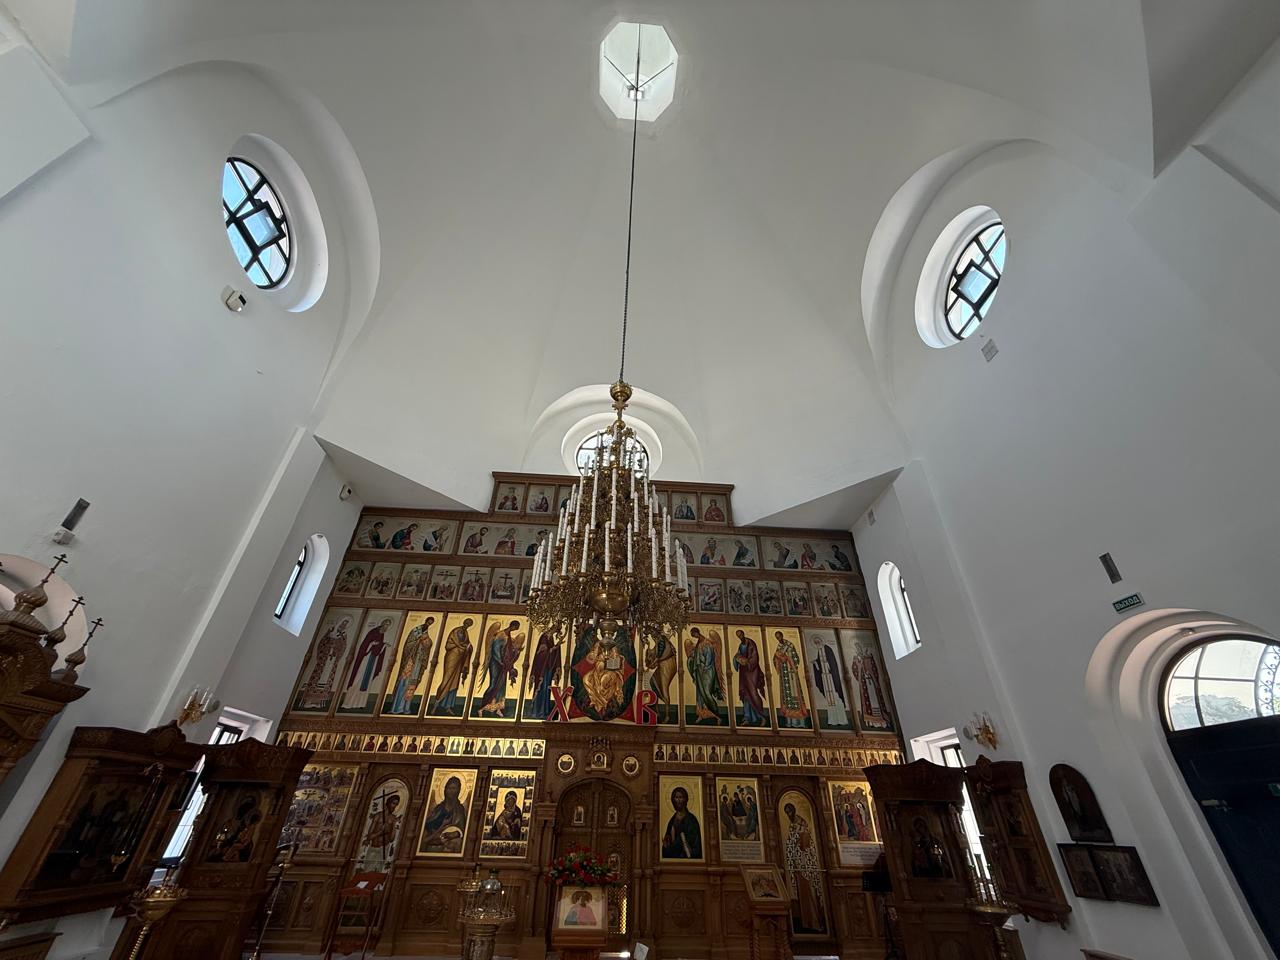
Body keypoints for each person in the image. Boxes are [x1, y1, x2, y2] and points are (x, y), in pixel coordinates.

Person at [782, 802, 826, 934]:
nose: (789, 814)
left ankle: (815, 922)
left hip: (806, 863)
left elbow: (806, 842)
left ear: (794, 811)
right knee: (803, 894)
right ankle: (807, 922)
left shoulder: (801, 823)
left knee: (810, 891)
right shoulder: (792, 825)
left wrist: (798, 844)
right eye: (787, 813)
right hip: (797, 865)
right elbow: (790, 842)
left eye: (790, 811)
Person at [297, 616, 350, 708]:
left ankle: (318, 701)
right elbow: (322, 642)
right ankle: (308, 701)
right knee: (316, 678)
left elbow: (343, 647)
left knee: (326, 680)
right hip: (324, 659)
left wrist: (336, 651)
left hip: (332, 660)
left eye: (346, 624)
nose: (344, 625)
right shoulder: (331, 630)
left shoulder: (344, 635)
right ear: (340, 622)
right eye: (343, 623)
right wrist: (328, 647)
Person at [476, 620, 524, 716]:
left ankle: (497, 707)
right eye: (515, 628)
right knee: (493, 683)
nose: (515, 630)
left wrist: (517, 651)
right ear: (513, 626)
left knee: (501, 686)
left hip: (503, 664)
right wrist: (500, 661)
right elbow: (495, 650)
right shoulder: (500, 635)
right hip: (495, 663)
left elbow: (508, 652)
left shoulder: (509, 637)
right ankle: (482, 707)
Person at [387, 617, 435, 715]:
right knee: (404, 684)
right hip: (410, 662)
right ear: (425, 621)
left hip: (417, 664)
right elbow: (409, 645)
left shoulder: (426, 634)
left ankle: (406, 708)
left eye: (431, 623)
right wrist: (418, 641)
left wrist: (425, 643)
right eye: (428, 622)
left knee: (412, 685)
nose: (428, 624)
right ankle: (397, 708)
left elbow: (428, 645)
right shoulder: (416, 631)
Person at [342, 617, 393, 709]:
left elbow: (378, 646)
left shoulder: (381, 634)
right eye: (386, 624)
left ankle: (360, 704)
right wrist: (371, 644)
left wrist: (384, 645)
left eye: (388, 625)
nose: (386, 627)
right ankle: (348, 703)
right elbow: (364, 645)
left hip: (372, 660)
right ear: (382, 623)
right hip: (365, 659)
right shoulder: (373, 632)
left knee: (367, 682)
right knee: (358, 679)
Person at [429, 618, 473, 716]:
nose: (467, 625)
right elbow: (448, 644)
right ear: (464, 622)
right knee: (447, 679)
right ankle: (436, 704)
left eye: (469, 624)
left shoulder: (466, 634)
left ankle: (448, 706)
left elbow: (467, 645)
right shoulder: (455, 631)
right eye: (467, 623)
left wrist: (468, 647)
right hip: (452, 657)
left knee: (455, 682)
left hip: (460, 659)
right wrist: (460, 646)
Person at [686, 627, 725, 724]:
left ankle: (717, 715)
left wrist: (704, 668)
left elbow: (709, 658)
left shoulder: (707, 643)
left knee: (707, 693)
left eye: (694, 634)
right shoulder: (698, 644)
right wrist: (691, 658)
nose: (694, 637)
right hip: (700, 672)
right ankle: (701, 714)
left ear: (697, 632)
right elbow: (696, 657)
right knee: (700, 694)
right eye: (692, 636)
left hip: (708, 672)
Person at [420, 777, 468, 853]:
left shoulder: (460, 809)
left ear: (458, 791)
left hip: (449, 842)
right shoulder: (438, 808)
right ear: (445, 790)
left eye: (454, 788)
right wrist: (437, 831)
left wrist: (454, 833)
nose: (451, 791)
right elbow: (428, 825)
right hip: (433, 839)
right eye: (449, 788)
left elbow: (462, 829)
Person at [772, 631, 809, 727]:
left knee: (795, 696)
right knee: (787, 697)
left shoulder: (789, 645)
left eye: (779, 636)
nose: (778, 639)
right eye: (776, 638)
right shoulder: (779, 647)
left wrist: (787, 658)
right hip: (784, 676)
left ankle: (800, 722)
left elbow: (796, 658)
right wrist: (777, 658)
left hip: (791, 673)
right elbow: (775, 660)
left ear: (782, 635)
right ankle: (789, 721)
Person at [359, 790, 404, 868]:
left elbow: (391, 839)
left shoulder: (393, 818)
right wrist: (380, 832)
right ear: (388, 803)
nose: (394, 806)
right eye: (393, 803)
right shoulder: (378, 816)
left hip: (384, 850)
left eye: (396, 804)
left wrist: (394, 826)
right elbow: (369, 837)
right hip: (373, 848)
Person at [732, 628, 767, 727]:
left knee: (753, 693)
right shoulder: (740, 645)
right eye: (738, 636)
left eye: (740, 635)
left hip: (752, 672)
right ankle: (747, 717)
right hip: (743, 672)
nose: (739, 637)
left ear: (743, 634)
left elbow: (755, 657)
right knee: (745, 694)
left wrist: (747, 662)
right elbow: (738, 655)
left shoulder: (751, 643)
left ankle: (761, 716)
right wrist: (737, 658)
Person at [526, 631, 562, 720]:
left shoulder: (550, 638)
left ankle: (544, 711)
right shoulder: (544, 637)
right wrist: (552, 650)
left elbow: (551, 653)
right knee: (541, 689)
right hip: (541, 671)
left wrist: (556, 648)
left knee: (547, 690)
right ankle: (538, 712)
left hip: (548, 670)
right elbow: (542, 655)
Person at [661, 786, 702, 859]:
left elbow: (695, 841)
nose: (678, 800)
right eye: (676, 797)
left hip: (687, 855)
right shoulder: (672, 820)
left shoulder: (691, 820)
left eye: (681, 797)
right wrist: (666, 842)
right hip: (673, 856)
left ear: (685, 799)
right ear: (673, 800)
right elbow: (668, 839)